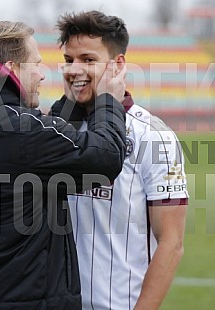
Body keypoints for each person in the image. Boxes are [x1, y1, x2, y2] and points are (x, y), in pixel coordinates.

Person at [0, 20, 127, 309]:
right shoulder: (19, 128)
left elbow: (29, 155)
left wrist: (71, 102)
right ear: (11, 68)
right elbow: (105, 157)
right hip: (19, 300)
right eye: (36, 65)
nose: (43, 74)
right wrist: (107, 100)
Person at [50, 11, 189, 310]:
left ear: (118, 65)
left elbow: (171, 243)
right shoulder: (51, 130)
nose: (74, 70)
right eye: (69, 59)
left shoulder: (154, 136)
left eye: (88, 60)